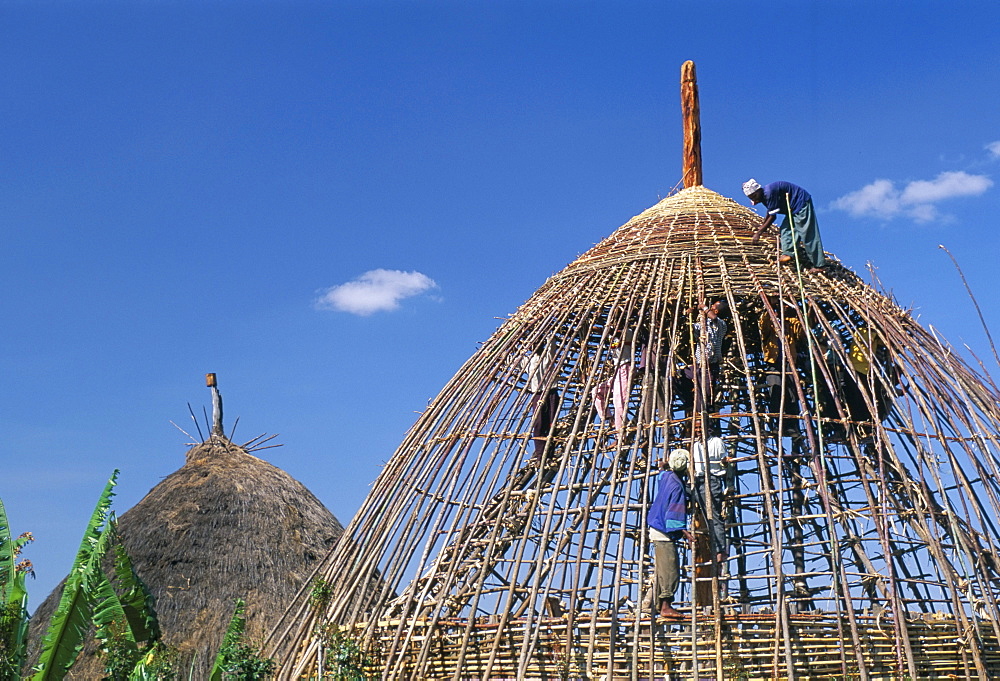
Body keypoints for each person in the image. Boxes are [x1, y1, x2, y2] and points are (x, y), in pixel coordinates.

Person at [743, 179, 825, 273]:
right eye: (751, 198)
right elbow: (770, 212)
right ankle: (788, 253)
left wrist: (759, 233)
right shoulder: (763, 196)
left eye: (754, 196)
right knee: (786, 230)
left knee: (807, 233)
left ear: (759, 190)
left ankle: (819, 265)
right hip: (792, 210)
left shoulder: (769, 193)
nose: (753, 199)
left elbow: (772, 217)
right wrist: (762, 227)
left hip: (800, 203)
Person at [648, 448, 692, 618]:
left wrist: (663, 465)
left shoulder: (666, 477)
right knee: (670, 569)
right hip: (663, 530)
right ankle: (666, 606)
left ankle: (658, 604)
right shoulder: (677, 488)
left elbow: (660, 471)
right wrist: (685, 533)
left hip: (655, 525)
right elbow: (673, 516)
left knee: (662, 569)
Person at [691, 427, 729, 565]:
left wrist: (725, 461)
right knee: (706, 515)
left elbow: (724, 461)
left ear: (709, 428)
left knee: (713, 514)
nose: (698, 431)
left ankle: (720, 550)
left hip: (713, 479)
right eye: (696, 428)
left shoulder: (717, 442)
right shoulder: (695, 445)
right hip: (699, 480)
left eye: (701, 428)